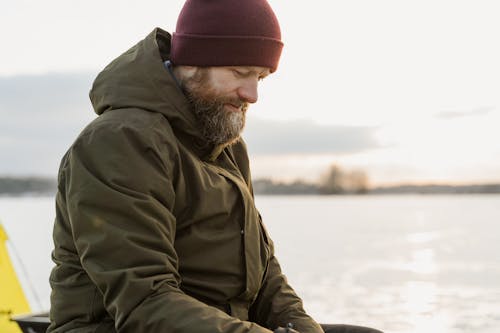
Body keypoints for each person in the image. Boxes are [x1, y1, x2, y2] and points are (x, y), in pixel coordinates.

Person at [48, 0, 383, 332]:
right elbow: (144, 303)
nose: (252, 94)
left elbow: (265, 275)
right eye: (240, 73)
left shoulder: (225, 146)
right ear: (194, 62)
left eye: (261, 78)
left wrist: (303, 327)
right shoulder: (120, 142)